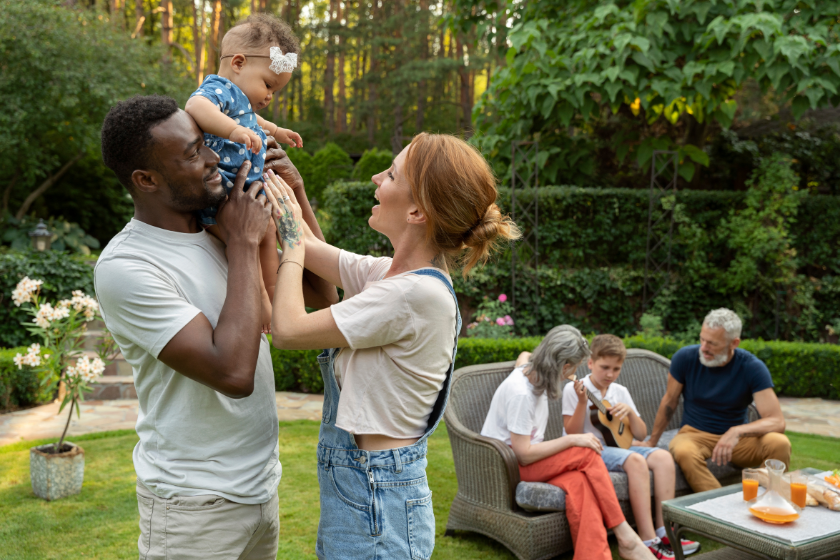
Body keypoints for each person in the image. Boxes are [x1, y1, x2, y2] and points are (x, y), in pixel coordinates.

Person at [96, 95, 335, 560]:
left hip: (261, 489)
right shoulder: (128, 265)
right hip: (192, 507)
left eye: (205, 142)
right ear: (146, 180)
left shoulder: (221, 225)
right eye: (191, 153)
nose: (212, 158)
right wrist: (245, 243)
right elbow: (232, 374)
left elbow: (323, 300)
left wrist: (297, 196)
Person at [263, 133, 519, 559]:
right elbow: (312, 249)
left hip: (377, 498)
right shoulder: (391, 277)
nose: (375, 177)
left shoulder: (411, 296)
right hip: (366, 490)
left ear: (417, 211)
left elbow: (287, 329)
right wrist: (295, 189)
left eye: (391, 174)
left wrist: (288, 244)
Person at [481, 326, 656, 560]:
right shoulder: (521, 395)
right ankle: (626, 536)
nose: (574, 373)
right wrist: (572, 439)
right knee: (585, 451)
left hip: (527, 460)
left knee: (580, 483)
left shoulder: (528, 369)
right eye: (573, 367)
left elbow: (524, 354)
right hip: (509, 465)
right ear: (563, 366)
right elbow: (522, 454)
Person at [185, 13, 304, 332]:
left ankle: (274, 299)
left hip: (247, 197)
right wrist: (234, 130)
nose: (269, 95)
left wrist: (278, 130)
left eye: (275, 91)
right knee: (250, 245)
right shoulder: (217, 90)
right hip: (221, 197)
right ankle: (262, 303)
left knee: (266, 235)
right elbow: (196, 107)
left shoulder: (243, 107)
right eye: (268, 84)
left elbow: (258, 124)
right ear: (238, 62)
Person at [562, 335, 700, 559]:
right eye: (604, 367)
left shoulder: (620, 391)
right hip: (590, 449)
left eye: (616, 369)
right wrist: (580, 403)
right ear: (590, 363)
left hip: (618, 446)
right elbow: (572, 432)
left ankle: (665, 531)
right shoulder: (576, 388)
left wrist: (629, 414)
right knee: (636, 461)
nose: (610, 374)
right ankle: (648, 541)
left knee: (663, 458)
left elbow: (641, 434)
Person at [639, 308, 791, 493]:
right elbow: (669, 402)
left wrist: (737, 431)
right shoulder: (685, 358)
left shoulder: (752, 367)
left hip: (738, 441)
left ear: (734, 343)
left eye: (712, 343)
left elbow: (777, 421)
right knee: (683, 451)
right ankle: (721, 509)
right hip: (693, 434)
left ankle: (769, 500)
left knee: (779, 443)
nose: (703, 347)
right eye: (702, 339)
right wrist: (651, 442)